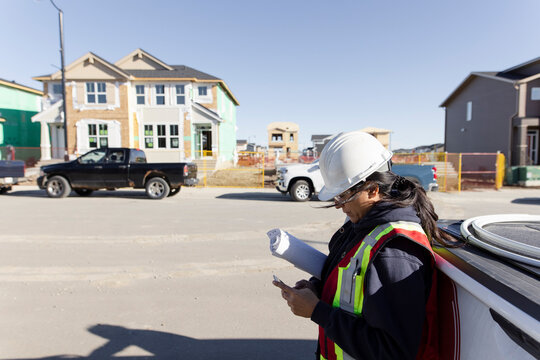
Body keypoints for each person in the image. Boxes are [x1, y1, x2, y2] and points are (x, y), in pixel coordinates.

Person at [273, 130, 454, 360]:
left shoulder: (395, 253)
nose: (338, 205)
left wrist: (318, 311)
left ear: (372, 190)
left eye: (343, 196)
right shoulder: (362, 224)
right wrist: (317, 289)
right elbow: (350, 286)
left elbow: (394, 351)